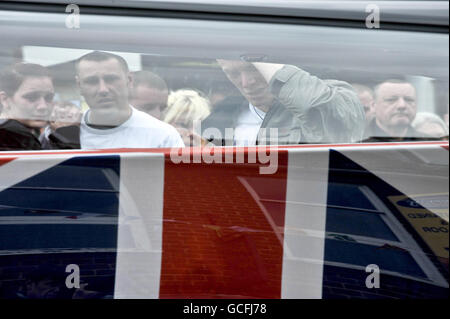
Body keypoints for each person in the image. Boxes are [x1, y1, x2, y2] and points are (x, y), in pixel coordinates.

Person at [201, 59, 365, 146]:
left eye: (252, 68)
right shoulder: (219, 120)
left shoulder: (332, 95)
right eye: (233, 73)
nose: (246, 82)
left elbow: (334, 119)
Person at [75, 51, 184, 149]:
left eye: (111, 79)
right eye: (92, 81)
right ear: (79, 86)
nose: (103, 89)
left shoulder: (163, 136)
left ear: (129, 80)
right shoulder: (63, 137)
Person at [0, 63, 78, 151]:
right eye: (31, 97)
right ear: (5, 99)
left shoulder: (27, 133)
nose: (43, 106)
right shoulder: (10, 136)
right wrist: (66, 133)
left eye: (48, 97)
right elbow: (66, 164)